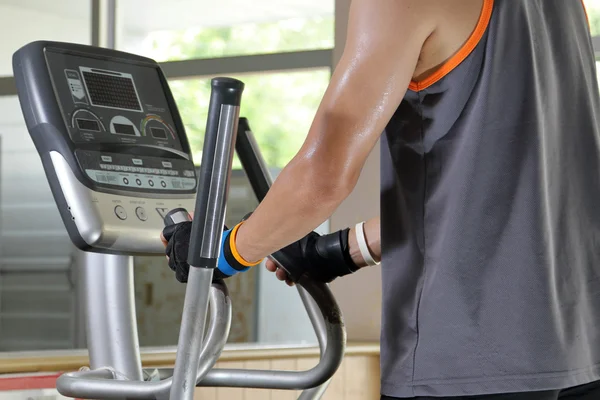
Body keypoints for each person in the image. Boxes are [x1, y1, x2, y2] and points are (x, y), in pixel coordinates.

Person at [162, 0, 600, 398]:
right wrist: (340, 250)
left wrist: (222, 253)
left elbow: (323, 176)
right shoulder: (562, 9)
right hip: (580, 356)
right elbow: (495, 191)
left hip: (465, 363)